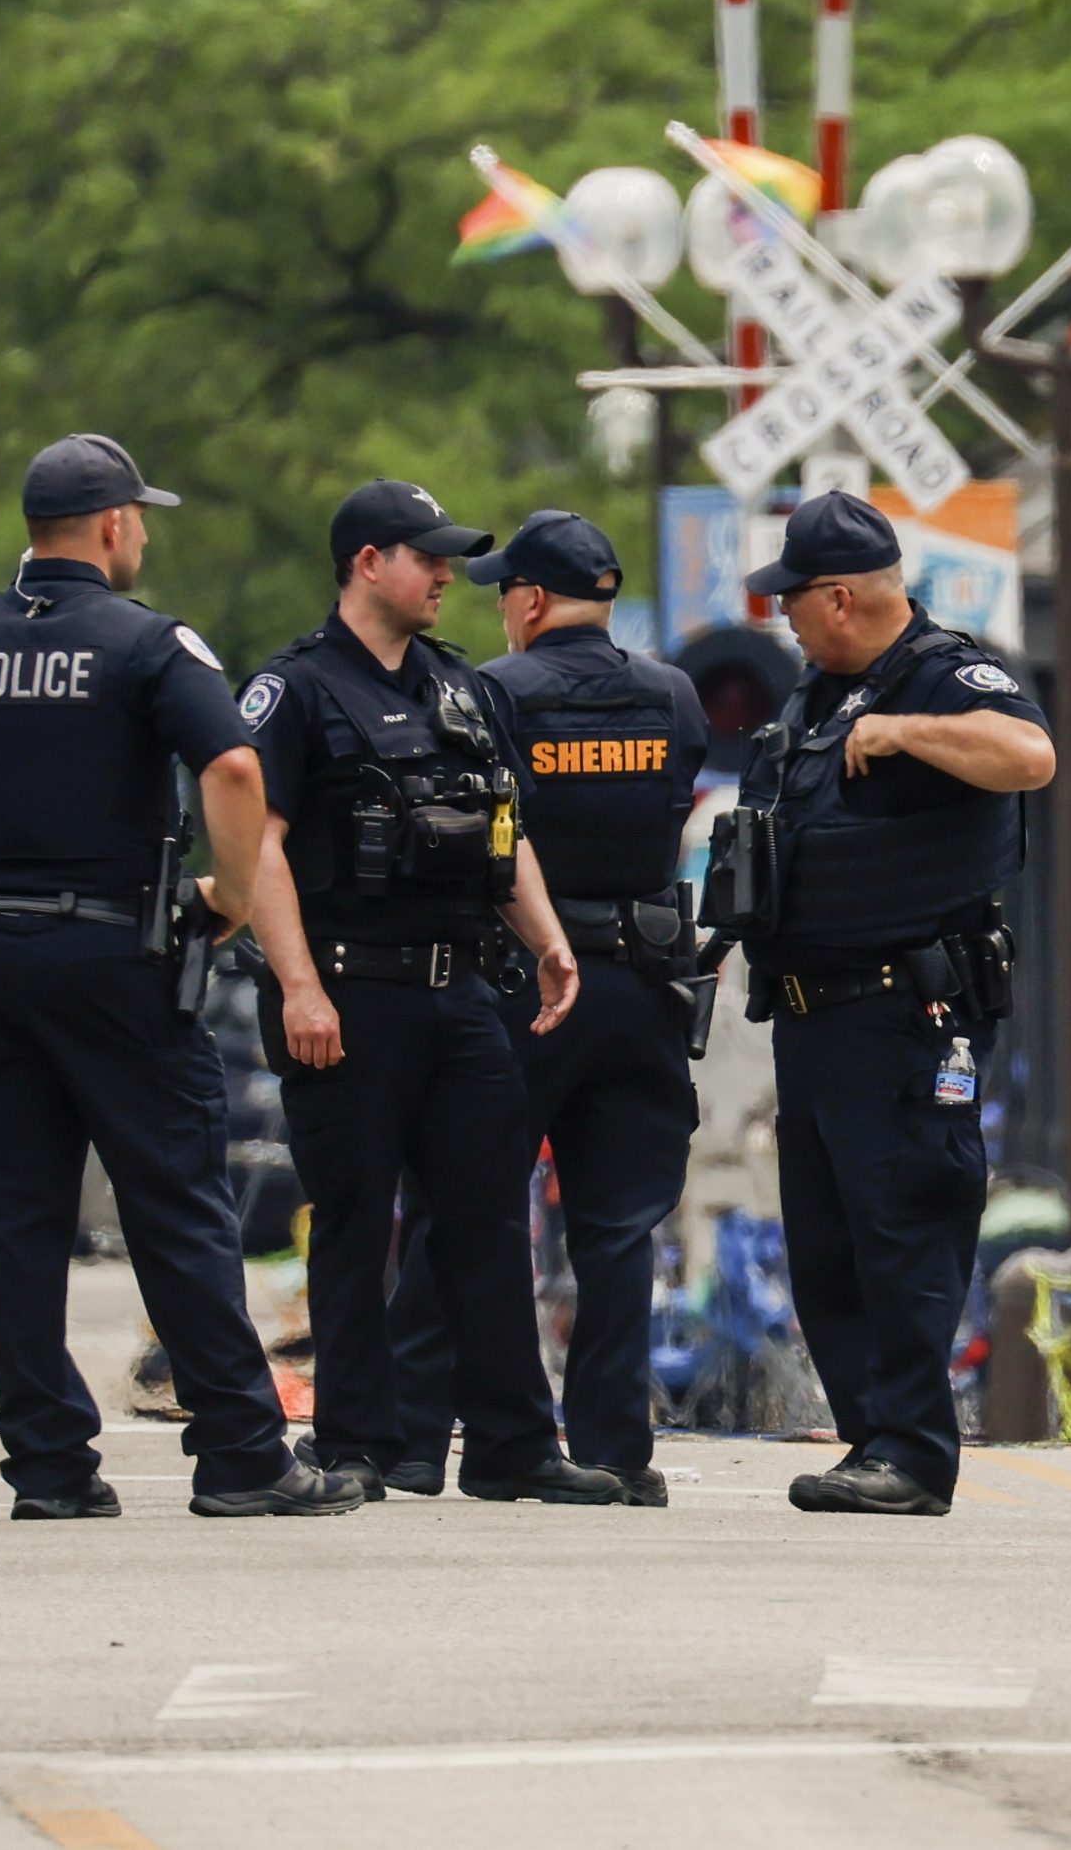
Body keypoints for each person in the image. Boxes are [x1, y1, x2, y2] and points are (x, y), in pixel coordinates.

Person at [0, 434, 359, 1519]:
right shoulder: (148, 644)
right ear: (112, 525)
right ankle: (243, 1457)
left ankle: (49, 1469)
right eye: (139, 516)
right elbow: (232, 764)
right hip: (118, 965)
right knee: (177, 1209)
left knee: (21, 1226)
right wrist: (230, 896)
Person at [241, 477, 615, 1505]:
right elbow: (256, 846)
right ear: (369, 564)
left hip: (459, 997)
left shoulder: (461, 686)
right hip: (347, 998)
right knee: (355, 1225)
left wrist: (547, 940)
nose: (447, 574)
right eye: (428, 556)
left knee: (486, 1223)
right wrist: (298, 987)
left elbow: (504, 826)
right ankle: (357, 1443)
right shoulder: (294, 689)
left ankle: (511, 1446)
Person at [708, 492, 1055, 1518]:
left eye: (794, 599)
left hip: (906, 1014)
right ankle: (875, 1440)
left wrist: (907, 730)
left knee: (905, 1232)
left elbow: (1030, 758)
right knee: (827, 1247)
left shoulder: (944, 675)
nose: (783, 617)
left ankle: (912, 1449)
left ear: (842, 597)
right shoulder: (815, 696)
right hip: (812, 1015)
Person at [381, 511, 709, 1503]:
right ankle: (614, 1450)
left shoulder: (494, 691)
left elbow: (475, 830)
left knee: (459, 1206)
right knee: (618, 1227)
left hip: (526, 982)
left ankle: (411, 1438)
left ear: (527, 600)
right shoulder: (674, 695)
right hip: (645, 984)